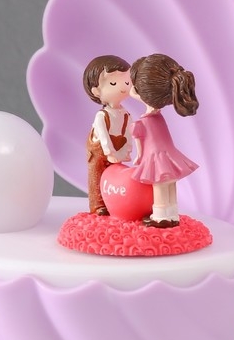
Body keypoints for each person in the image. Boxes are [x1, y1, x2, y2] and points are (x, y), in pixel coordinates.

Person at [129, 53, 199, 227]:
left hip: (155, 158)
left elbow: (139, 145)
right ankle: (172, 213)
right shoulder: (158, 117)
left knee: (159, 186)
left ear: (139, 91)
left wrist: (138, 157)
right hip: (169, 155)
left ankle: (161, 216)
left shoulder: (142, 122)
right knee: (170, 184)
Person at [83, 55, 133, 215]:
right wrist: (110, 153)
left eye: (127, 82)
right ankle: (97, 205)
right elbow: (104, 138)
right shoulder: (102, 116)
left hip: (117, 149)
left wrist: (126, 151)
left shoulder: (126, 114)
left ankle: (113, 203)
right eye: (113, 83)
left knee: (113, 177)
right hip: (98, 151)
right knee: (96, 176)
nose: (123, 87)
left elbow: (129, 134)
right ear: (96, 91)